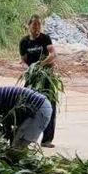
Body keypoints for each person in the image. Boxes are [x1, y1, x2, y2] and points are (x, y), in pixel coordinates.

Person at [19, 14, 58, 148]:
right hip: (32, 78)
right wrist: (31, 69)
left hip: (46, 77)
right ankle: (24, 136)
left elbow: (53, 55)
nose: (36, 27)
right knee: (26, 105)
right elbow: (24, 59)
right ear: (29, 25)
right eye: (34, 24)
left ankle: (47, 140)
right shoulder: (24, 42)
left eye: (39, 25)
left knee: (50, 106)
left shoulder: (45, 38)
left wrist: (41, 64)